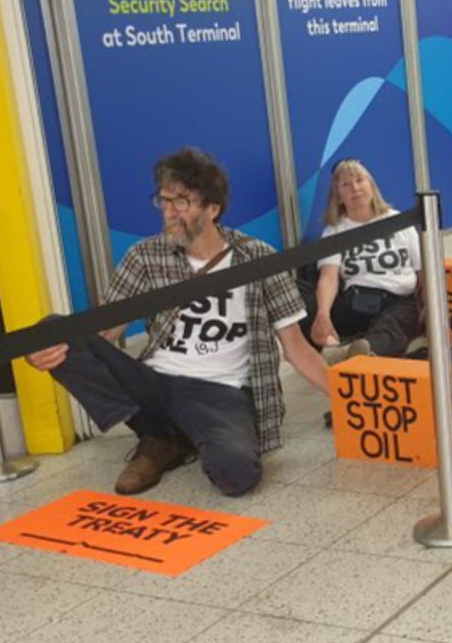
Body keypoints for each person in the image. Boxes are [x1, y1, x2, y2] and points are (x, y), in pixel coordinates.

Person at [24, 148, 330, 497]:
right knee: (53, 328)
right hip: (155, 382)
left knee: (237, 475)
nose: (168, 213)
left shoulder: (257, 257)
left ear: (213, 209)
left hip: (220, 391)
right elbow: (104, 334)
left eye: (181, 202)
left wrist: (351, 404)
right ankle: (157, 433)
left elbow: (297, 348)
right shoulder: (145, 255)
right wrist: (52, 352)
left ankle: (170, 440)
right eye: (163, 201)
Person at [307, 159, 422, 363]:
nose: (355, 188)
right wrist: (323, 314)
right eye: (346, 185)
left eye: (360, 180)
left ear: (371, 186)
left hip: (397, 300)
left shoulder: (398, 221)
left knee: (393, 328)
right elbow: (329, 277)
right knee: (302, 297)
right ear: (338, 197)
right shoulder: (334, 231)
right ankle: (338, 347)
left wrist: (432, 308)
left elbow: (423, 272)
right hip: (356, 302)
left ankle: (360, 351)